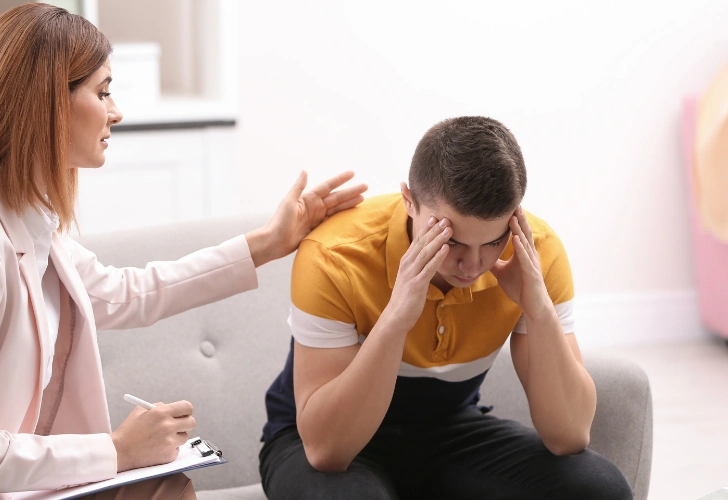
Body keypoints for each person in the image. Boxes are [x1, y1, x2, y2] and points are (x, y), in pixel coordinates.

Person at [0, 4, 366, 500]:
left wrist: (269, 243)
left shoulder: (20, 219)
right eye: (104, 91)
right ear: (48, 103)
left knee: (167, 488)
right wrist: (119, 450)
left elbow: (127, 292)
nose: (117, 112)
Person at [258, 116, 635, 499]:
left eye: (492, 241)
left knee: (600, 490)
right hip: (316, 443)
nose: (473, 266)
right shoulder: (334, 255)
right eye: (450, 240)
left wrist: (538, 311)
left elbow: (569, 436)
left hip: (447, 429)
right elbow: (327, 451)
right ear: (409, 200)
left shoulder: (535, 254)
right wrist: (394, 321)